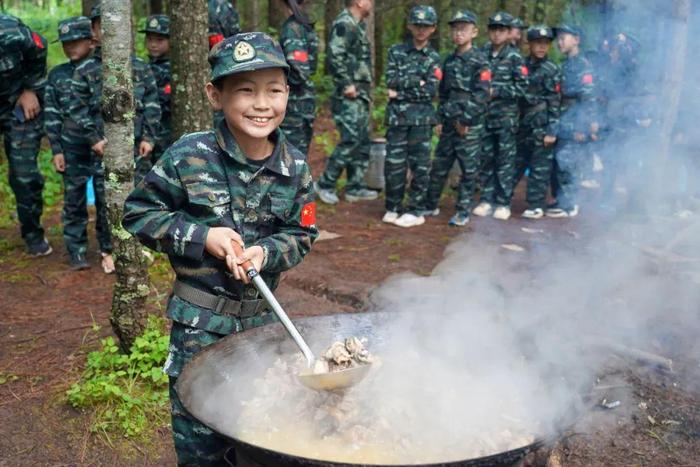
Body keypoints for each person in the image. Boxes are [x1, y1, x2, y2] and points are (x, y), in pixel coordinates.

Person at [122, 32, 318, 465]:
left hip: (263, 331)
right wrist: (202, 237)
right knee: (202, 446)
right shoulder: (190, 155)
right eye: (245, 91)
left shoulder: (295, 168)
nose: (261, 104)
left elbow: (302, 234)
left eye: (274, 90)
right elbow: (137, 214)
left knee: (265, 435)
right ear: (216, 95)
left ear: (288, 94)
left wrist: (266, 253)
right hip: (199, 331)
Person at [44, 16, 114, 272]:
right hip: (73, 147)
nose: (70, 47)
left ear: (91, 41)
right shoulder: (57, 75)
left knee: (107, 200)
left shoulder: (104, 69)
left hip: (103, 146)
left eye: (76, 42)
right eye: (65, 43)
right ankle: (77, 251)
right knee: (74, 201)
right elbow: (52, 113)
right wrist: (56, 149)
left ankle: (108, 248)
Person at [69, 4, 162, 188]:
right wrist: (94, 139)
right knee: (106, 208)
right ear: (94, 31)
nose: (111, 30)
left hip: (139, 153)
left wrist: (148, 138)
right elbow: (78, 109)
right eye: (103, 25)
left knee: (141, 205)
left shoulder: (141, 67)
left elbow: (152, 104)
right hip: (103, 150)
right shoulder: (84, 71)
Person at [422, 9, 490, 227]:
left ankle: (463, 210)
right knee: (440, 165)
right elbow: (443, 92)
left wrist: (466, 120)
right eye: (455, 29)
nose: (459, 33)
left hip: (469, 124)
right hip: (449, 121)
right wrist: (440, 119)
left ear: (474, 32)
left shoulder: (480, 61)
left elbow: (482, 94)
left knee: (468, 170)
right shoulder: (449, 60)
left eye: (464, 29)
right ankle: (430, 204)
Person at [381, 5, 441, 228]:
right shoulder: (396, 51)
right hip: (397, 118)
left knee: (420, 165)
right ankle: (393, 206)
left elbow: (431, 90)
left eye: (426, 26)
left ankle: (416, 210)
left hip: (422, 120)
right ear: (410, 26)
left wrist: (401, 91)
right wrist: (418, 83)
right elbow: (390, 81)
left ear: (433, 28)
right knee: (394, 164)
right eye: (417, 25)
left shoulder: (434, 57)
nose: (421, 30)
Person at [315, 0, 377, 204]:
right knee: (350, 139)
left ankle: (355, 186)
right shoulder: (345, 23)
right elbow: (335, 55)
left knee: (361, 138)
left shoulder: (357, 25)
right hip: (349, 93)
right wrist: (346, 83)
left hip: (360, 92)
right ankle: (325, 183)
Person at [0, 13, 51, 256]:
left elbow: (39, 47)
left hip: (17, 103)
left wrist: (31, 88)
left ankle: (32, 233)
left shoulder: (10, 31)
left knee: (24, 174)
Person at [473, 11, 528, 221]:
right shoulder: (481, 53)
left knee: (505, 161)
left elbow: (522, 88)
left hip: (506, 118)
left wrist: (497, 92)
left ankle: (503, 202)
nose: (497, 34)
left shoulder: (515, 57)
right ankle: (486, 199)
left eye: (501, 30)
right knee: (486, 158)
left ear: (508, 33)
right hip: (485, 117)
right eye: (494, 30)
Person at [548, 24, 597, 218]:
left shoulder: (583, 65)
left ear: (576, 40)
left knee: (567, 162)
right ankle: (562, 200)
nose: (560, 42)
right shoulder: (566, 64)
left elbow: (588, 98)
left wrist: (582, 126)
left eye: (564, 38)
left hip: (575, 120)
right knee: (559, 161)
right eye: (558, 39)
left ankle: (570, 204)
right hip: (563, 118)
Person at [515, 25, 561, 219]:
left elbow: (555, 101)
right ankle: (500, 199)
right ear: (529, 44)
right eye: (538, 43)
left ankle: (536, 204)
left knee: (540, 166)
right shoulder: (520, 65)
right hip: (522, 123)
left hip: (542, 123)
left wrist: (552, 130)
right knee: (516, 162)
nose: (542, 47)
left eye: (546, 44)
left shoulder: (551, 69)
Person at [279, 0, 319, 157]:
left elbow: (299, 70)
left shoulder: (293, 28)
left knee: (291, 157)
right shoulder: (304, 26)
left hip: (295, 105)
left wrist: (277, 82)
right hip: (303, 102)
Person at [140, 14, 173, 163]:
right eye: (150, 39)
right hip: (144, 133)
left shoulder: (173, 68)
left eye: (160, 40)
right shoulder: (142, 67)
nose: (153, 44)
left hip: (166, 133)